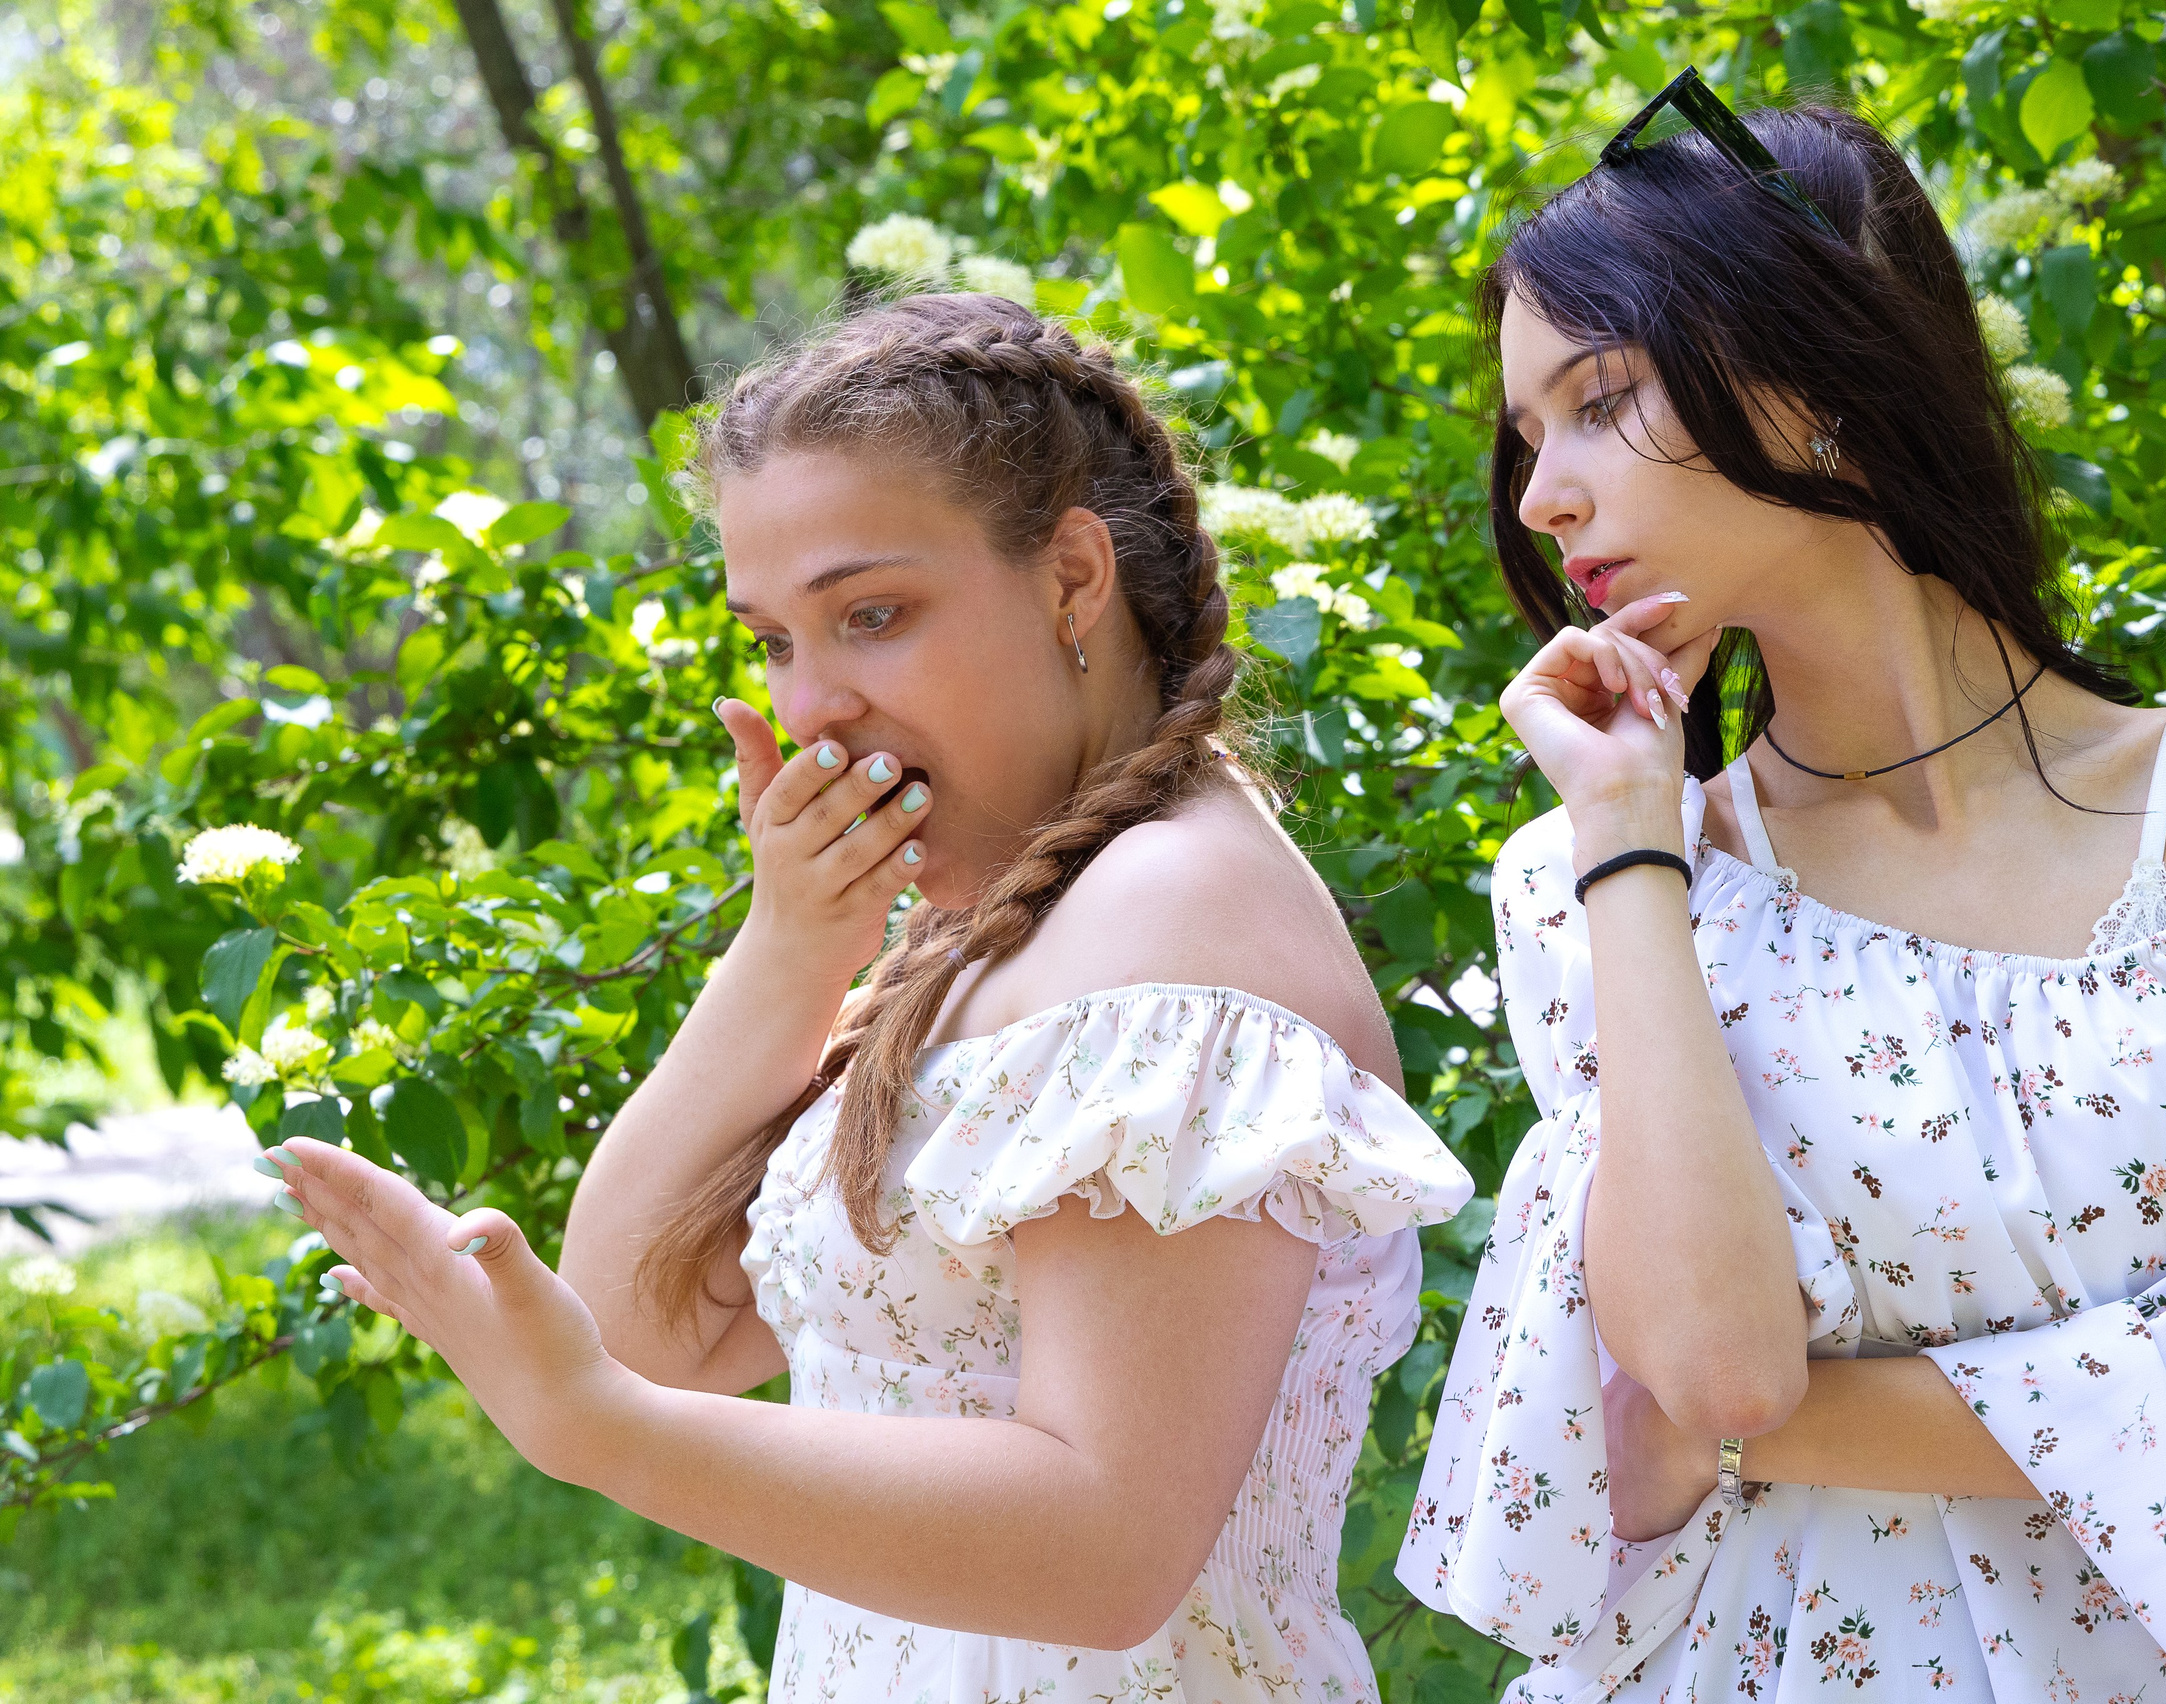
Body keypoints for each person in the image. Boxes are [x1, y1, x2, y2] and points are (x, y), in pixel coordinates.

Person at [1396, 91, 2166, 1701]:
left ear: (1817, 373)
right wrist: (1634, 836)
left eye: (1599, 399)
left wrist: (1767, 1434)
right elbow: (1710, 1370)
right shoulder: (1613, 875)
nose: (1539, 497)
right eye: (1526, 436)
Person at [263, 292, 1474, 1703]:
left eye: (873, 616)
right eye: (775, 642)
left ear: (1074, 579)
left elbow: (1108, 1545)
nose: (815, 705)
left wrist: (599, 1433)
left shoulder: (1171, 916)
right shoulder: (995, 928)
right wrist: (792, 948)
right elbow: (653, 1326)